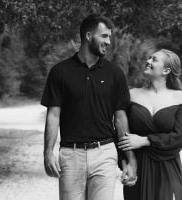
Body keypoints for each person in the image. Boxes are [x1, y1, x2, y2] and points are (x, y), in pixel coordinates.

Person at [41, 14, 137, 200]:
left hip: (105, 153)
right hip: (71, 154)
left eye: (109, 37)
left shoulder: (115, 73)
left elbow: (120, 119)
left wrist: (129, 159)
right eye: (104, 36)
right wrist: (47, 153)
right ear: (88, 36)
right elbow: (53, 115)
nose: (108, 42)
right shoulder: (60, 72)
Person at [118, 49, 182, 200]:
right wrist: (125, 164)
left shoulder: (180, 98)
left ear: (166, 70)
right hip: (137, 167)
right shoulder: (132, 95)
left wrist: (145, 140)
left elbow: (181, 137)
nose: (148, 61)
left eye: (154, 59)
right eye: (149, 58)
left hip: (167, 168)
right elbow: (119, 131)